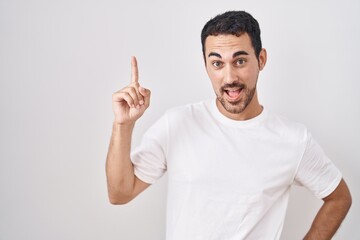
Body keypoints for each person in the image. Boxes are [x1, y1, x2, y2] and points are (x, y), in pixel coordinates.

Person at [106, 11, 352, 239]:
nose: (230, 78)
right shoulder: (178, 124)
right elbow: (120, 193)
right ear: (206, 65)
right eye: (217, 63)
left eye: (240, 61)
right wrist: (123, 125)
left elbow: (339, 198)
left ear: (261, 59)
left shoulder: (293, 139)